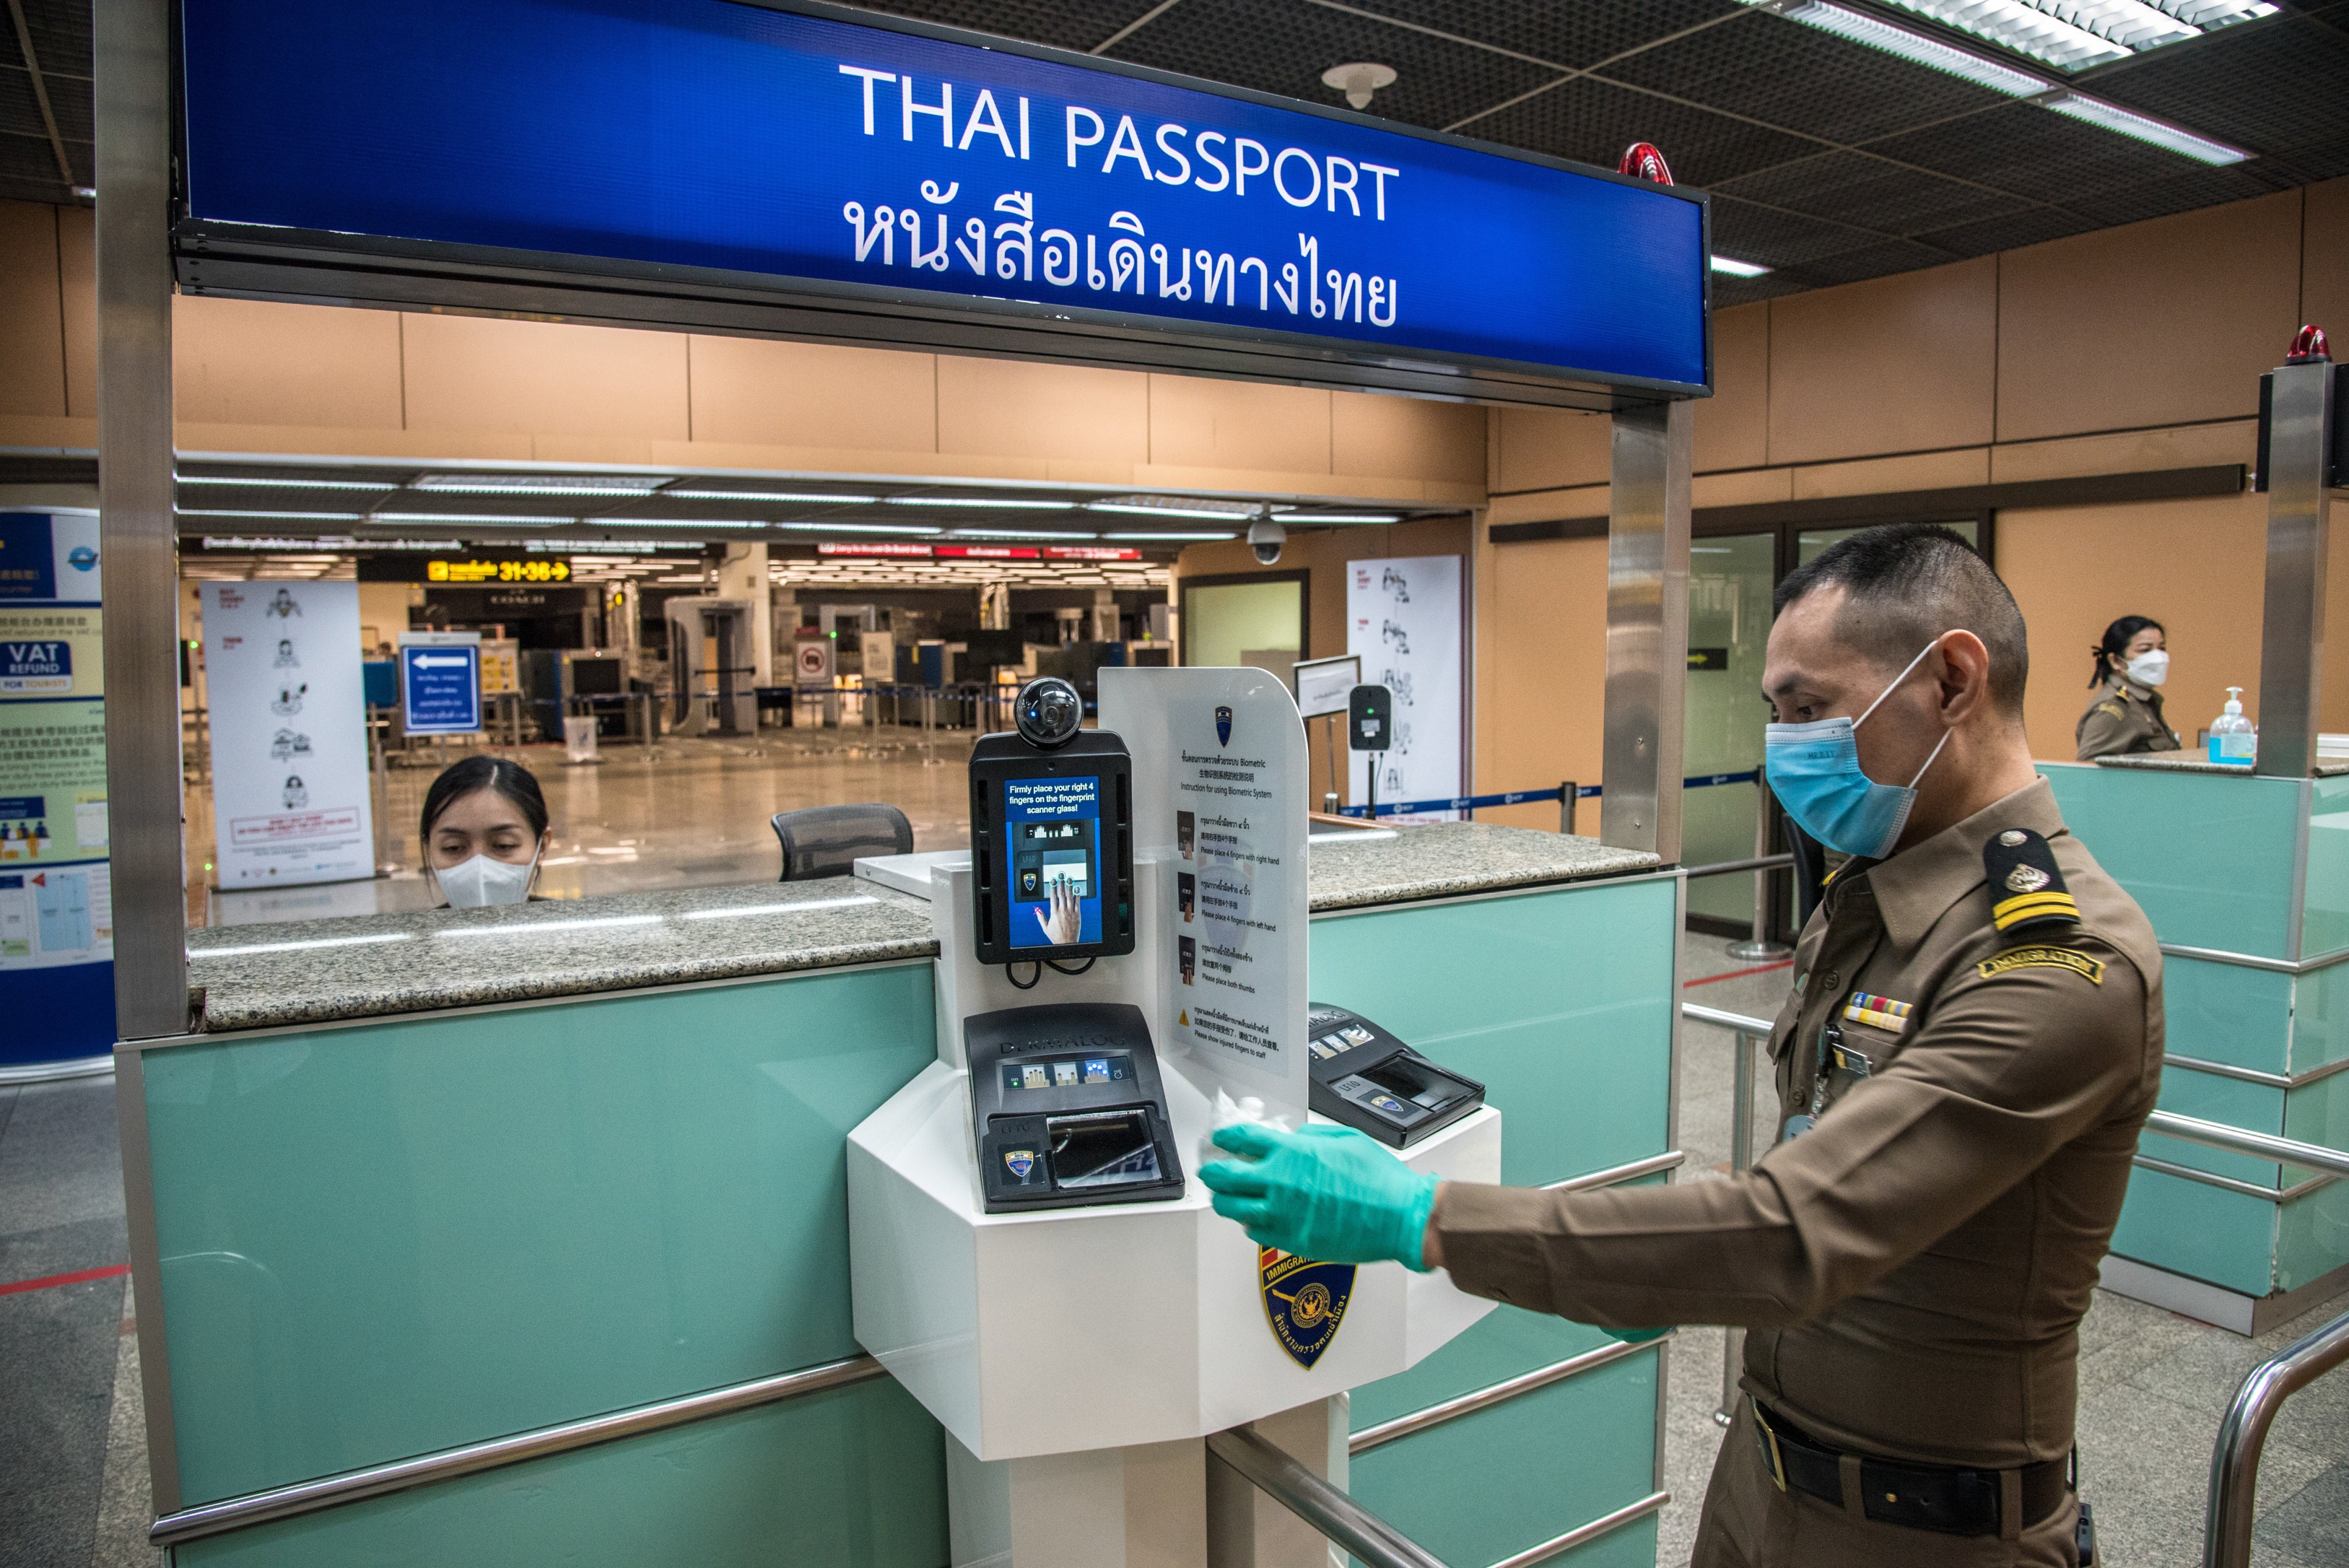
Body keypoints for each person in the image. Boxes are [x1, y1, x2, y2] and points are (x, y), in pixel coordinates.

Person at [1202, 524, 2162, 1567]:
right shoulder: (1875, 899)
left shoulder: (2056, 966)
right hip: (1761, 1476)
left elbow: (1794, 1230)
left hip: (1928, 1529)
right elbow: (1818, 1156)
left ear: (1953, 678)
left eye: (1809, 707)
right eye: (1775, 713)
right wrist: (1656, 1265)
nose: (1783, 744)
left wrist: (1420, 1214)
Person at [420, 755, 551, 907]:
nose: (479, 869)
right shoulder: (415, 931)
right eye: (453, 847)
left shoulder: (574, 928)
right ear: (430, 849)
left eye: (504, 845)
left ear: (542, 847)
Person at [2075, 615, 2179, 759]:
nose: (2158, 658)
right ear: (2116, 661)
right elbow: (2091, 769)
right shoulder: (2114, 707)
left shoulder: (2142, 702)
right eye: (2145, 650)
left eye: (2162, 648)